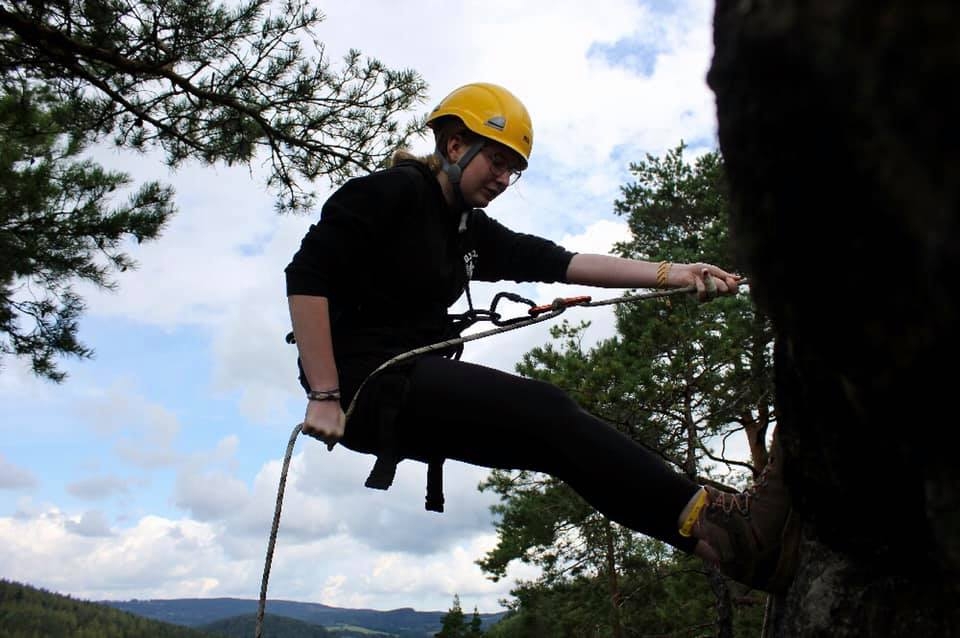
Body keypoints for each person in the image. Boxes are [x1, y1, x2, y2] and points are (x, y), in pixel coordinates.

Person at [284, 82, 796, 593]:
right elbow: (307, 273)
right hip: (364, 385)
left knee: (559, 448)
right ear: (456, 145)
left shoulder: (467, 229)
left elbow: (564, 262)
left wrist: (674, 273)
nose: (504, 179)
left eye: (514, 170)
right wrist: (326, 394)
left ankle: (734, 553)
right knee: (545, 409)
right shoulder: (393, 192)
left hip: (400, 390)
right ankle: (728, 522)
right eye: (497, 162)